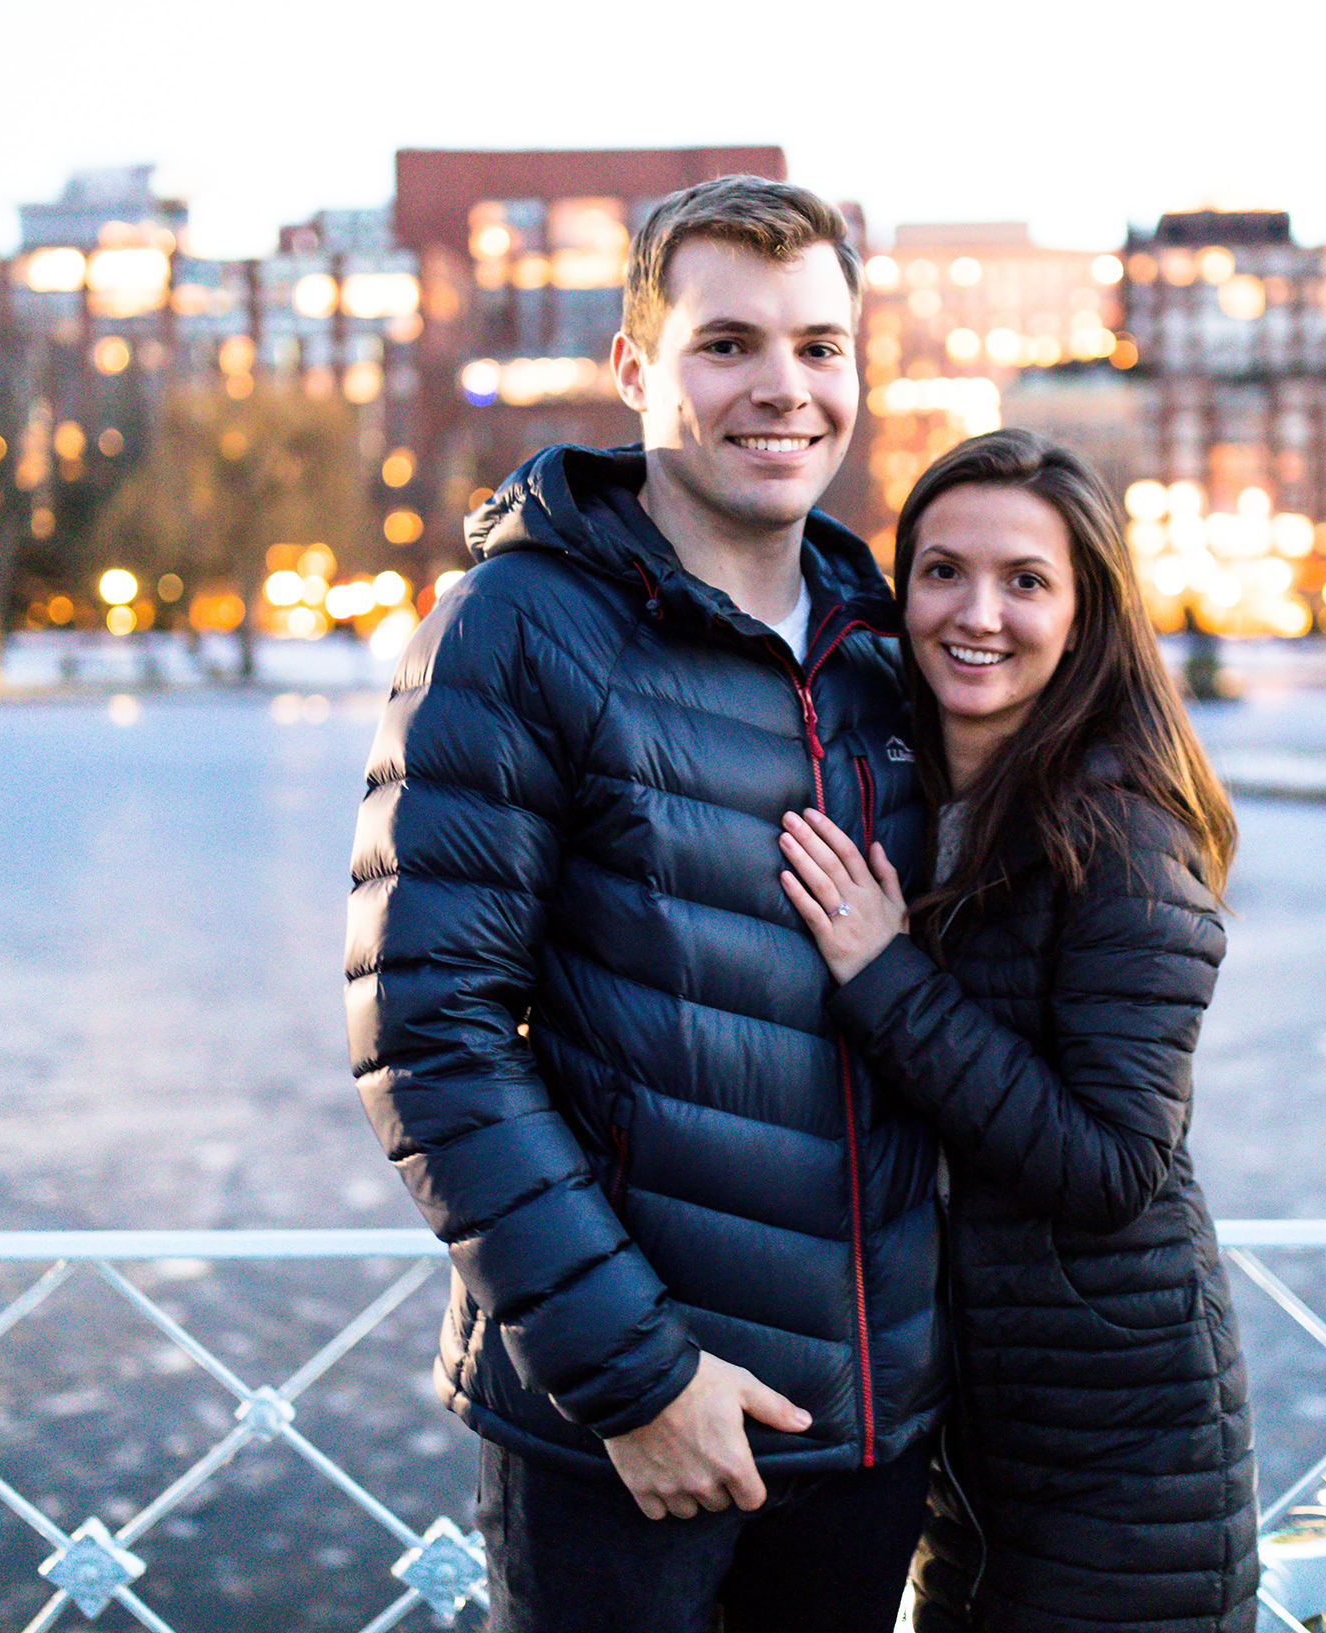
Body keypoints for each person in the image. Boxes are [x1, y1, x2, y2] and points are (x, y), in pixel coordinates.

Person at [346, 175, 944, 1633]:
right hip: (629, 1440)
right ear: (635, 369)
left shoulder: (885, 649)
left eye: (819, 346)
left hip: (868, 1427)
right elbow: (427, 1035)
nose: (783, 389)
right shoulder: (517, 627)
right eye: (726, 344)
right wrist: (641, 1380)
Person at [776, 428, 1258, 1632]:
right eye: (941, 571)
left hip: (1119, 1465)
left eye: (1024, 581)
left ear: (1086, 610)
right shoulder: (918, 798)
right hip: (981, 1445)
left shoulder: (1122, 834)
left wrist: (883, 976)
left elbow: (1109, 1166)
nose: (974, 612)